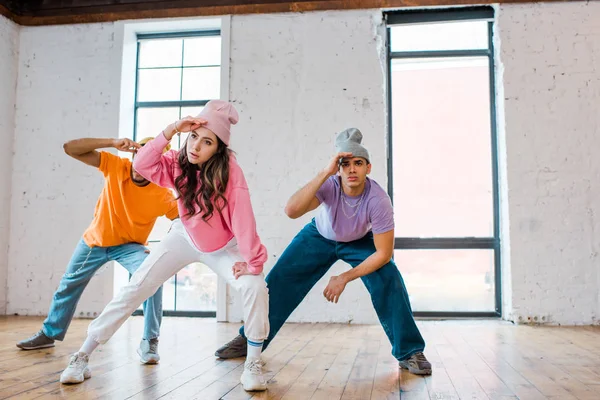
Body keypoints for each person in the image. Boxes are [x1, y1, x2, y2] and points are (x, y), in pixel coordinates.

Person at [59, 100, 270, 391]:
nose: (196, 146)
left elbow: (243, 219)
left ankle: (253, 364)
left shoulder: (231, 172)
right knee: (138, 285)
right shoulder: (176, 162)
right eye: (193, 137)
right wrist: (171, 130)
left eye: (207, 142)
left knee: (255, 286)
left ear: (218, 149)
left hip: (223, 245)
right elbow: (142, 163)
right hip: (183, 236)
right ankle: (82, 355)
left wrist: (252, 261)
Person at [215, 128, 432, 375]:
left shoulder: (378, 200)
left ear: (368, 168)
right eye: (345, 164)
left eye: (358, 163)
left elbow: (383, 253)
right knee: (279, 280)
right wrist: (325, 172)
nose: (352, 169)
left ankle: (410, 351)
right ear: (337, 167)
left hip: (359, 241)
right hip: (319, 235)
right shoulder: (329, 184)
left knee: (389, 278)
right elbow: (291, 210)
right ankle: (249, 340)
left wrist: (344, 278)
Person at [17, 136, 178, 367]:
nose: (145, 162)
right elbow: (69, 148)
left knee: (152, 276)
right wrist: (112, 142)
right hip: (95, 241)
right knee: (68, 284)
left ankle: (150, 340)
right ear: (134, 154)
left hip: (130, 247)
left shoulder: (162, 193)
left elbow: (184, 221)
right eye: (142, 154)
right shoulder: (116, 166)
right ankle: (49, 334)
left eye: (153, 160)